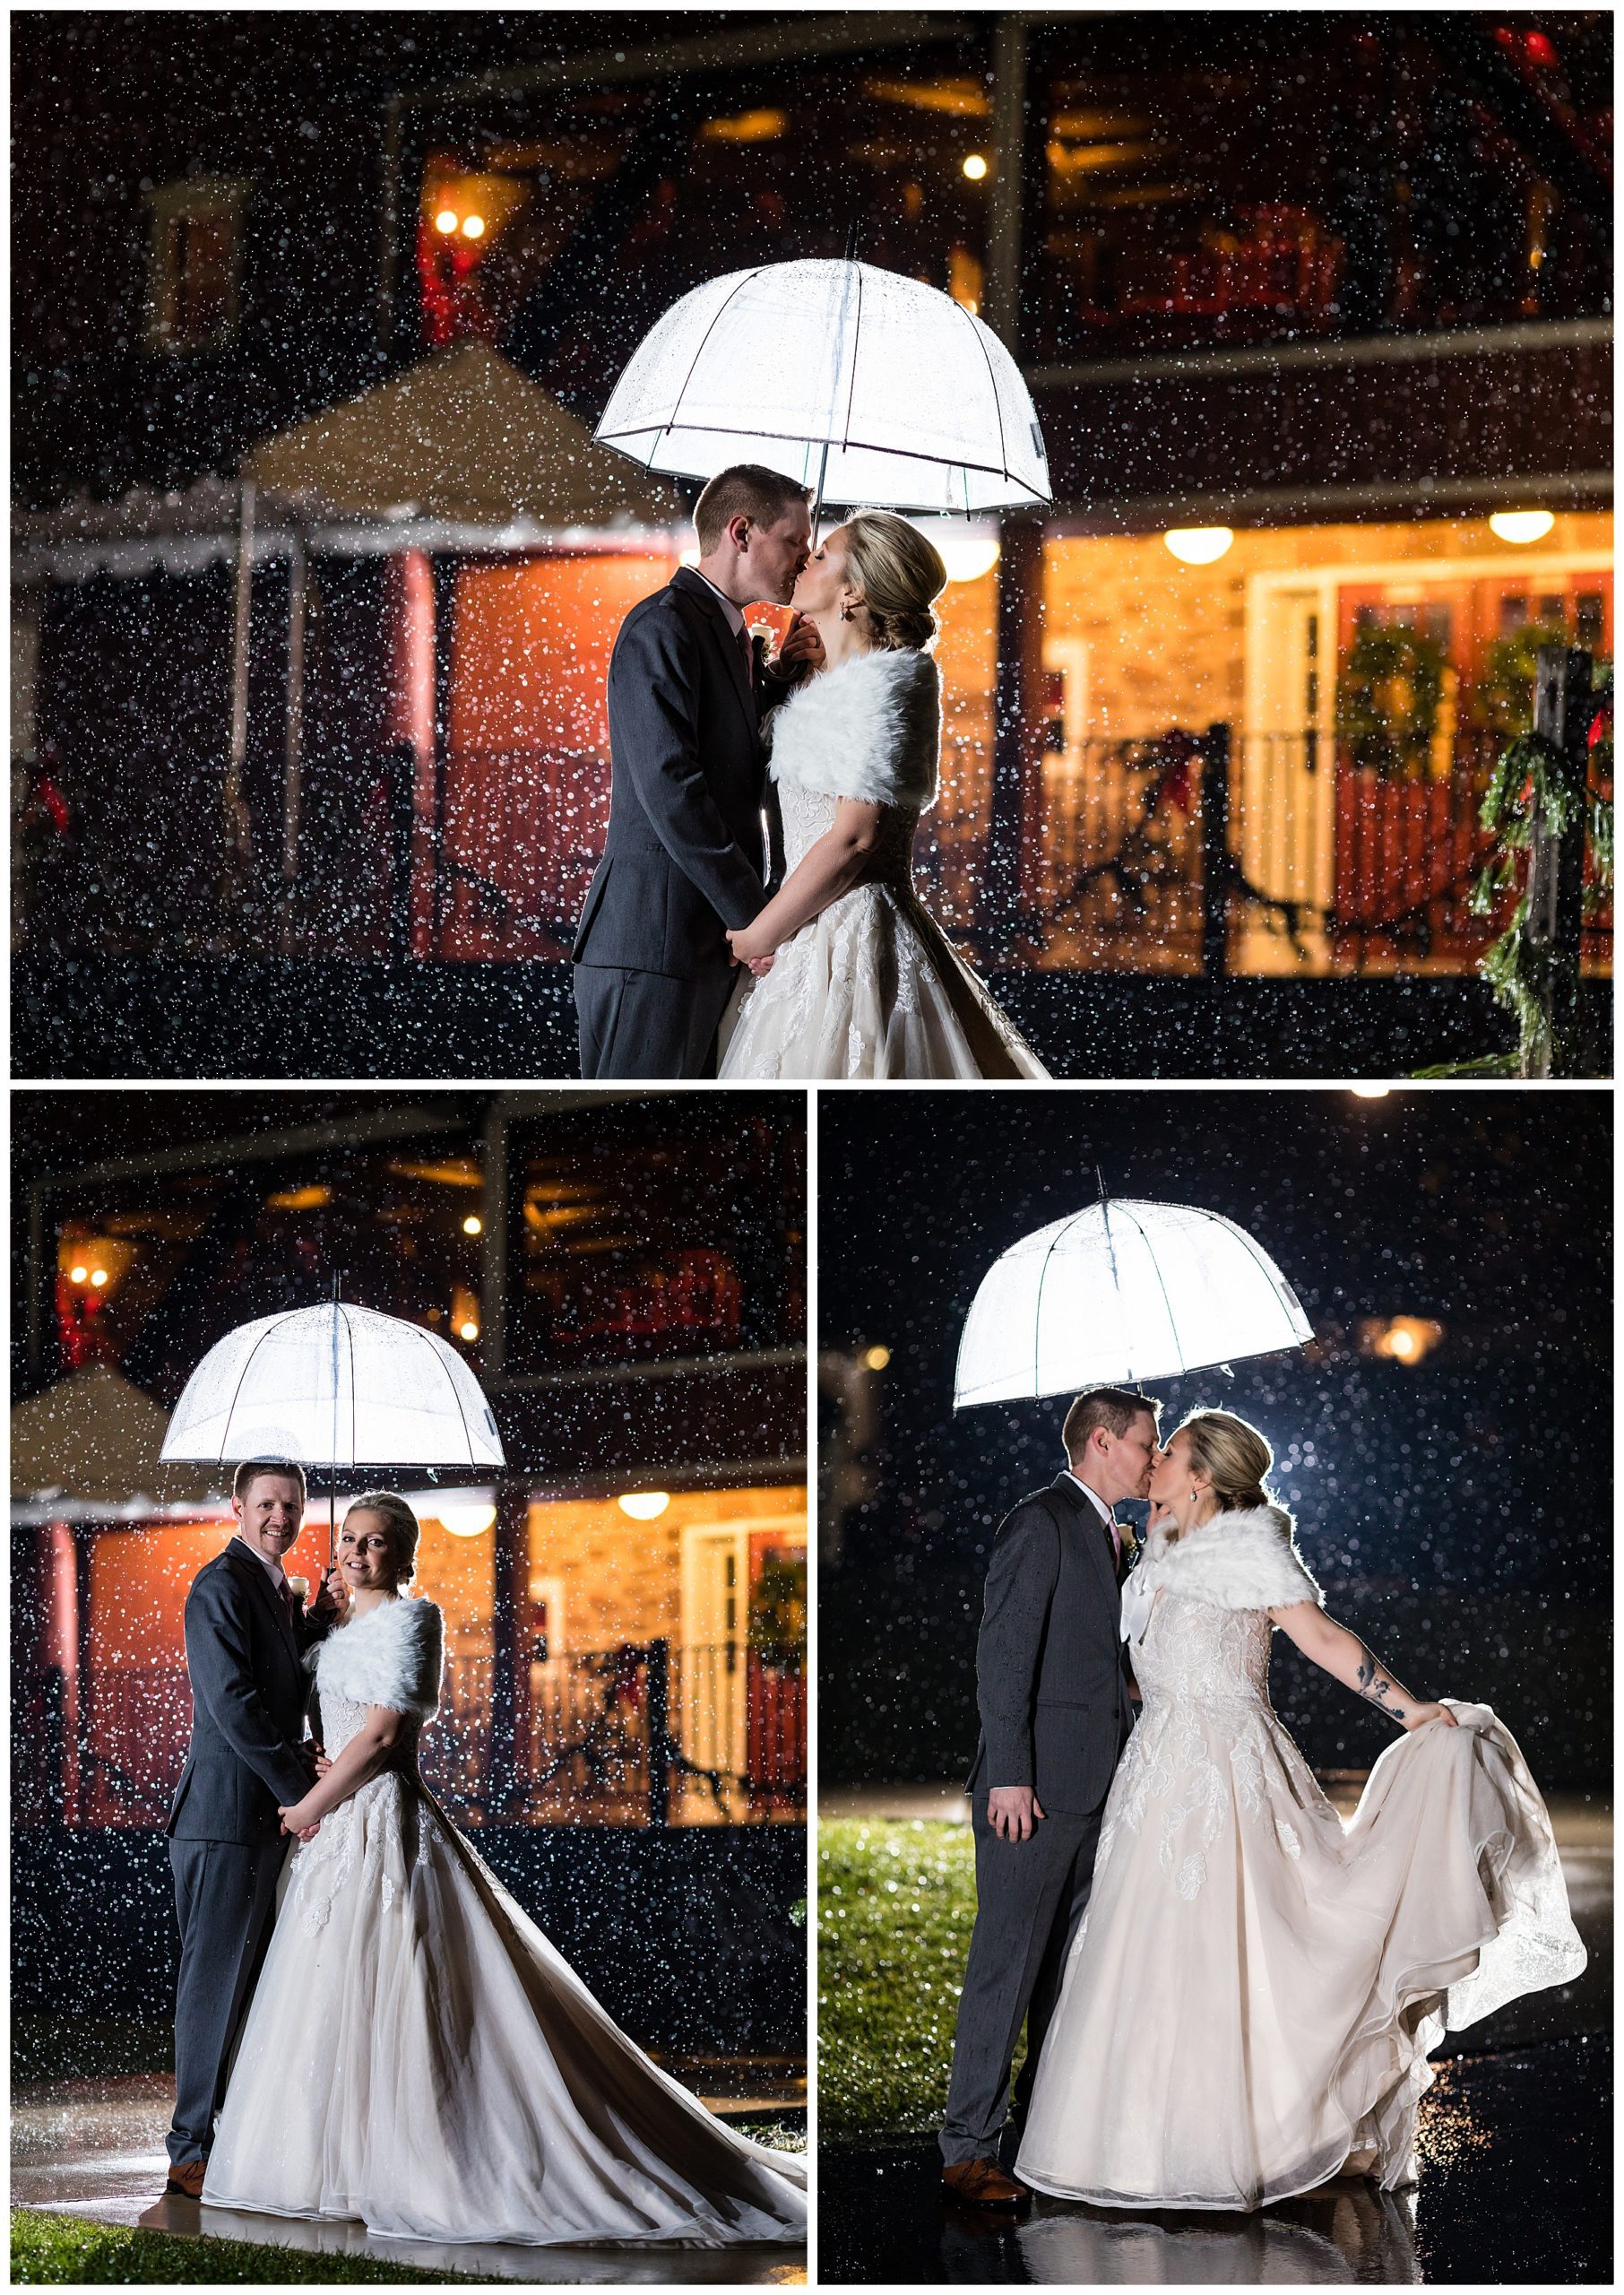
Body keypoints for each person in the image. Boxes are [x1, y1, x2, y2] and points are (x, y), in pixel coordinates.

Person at [1014, 1408, 1586, 2212]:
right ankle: (1141, 2145)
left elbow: (1320, 1637)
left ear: (1203, 1474)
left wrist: (1410, 1709)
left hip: (1227, 1769)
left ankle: (1248, 2139)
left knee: (1237, 1948)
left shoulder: (1250, 1553)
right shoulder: (1154, 1553)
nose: (1155, 1465)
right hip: (1156, 1773)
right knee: (1146, 1953)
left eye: (1167, 1454)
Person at [203, 1494, 808, 2247]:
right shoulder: (335, 1621)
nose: (359, 1552)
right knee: (327, 1986)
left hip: (379, 1819)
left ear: (405, 1555)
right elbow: (311, 1707)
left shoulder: (412, 1621)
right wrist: (317, 1648)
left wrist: (305, 1803)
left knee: (403, 1983)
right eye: (350, 1539)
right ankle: (331, 2162)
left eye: (377, 1543)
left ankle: (432, 2158)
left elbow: (383, 1736)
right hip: (333, 1832)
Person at [716, 509, 1048, 1079]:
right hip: (806, 917)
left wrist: (758, 936)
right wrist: (787, 677)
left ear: (852, 592)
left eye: (820, 556)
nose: (803, 559)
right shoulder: (827, 680)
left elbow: (854, 837)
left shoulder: (885, 685)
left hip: (848, 925)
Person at [937, 1389, 1159, 2206]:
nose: (1154, 1455)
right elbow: (1004, 1659)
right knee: (1006, 1968)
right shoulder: (1039, 1523)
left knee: (1067, 1977)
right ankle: (968, 2149)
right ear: (1103, 1442)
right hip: (1033, 1791)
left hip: (1105, 1785)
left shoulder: (1112, 1536)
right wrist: (1010, 1774)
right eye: (1146, 1441)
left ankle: (1039, 2138)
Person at [571, 463, 821, 1080]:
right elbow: (672, 788)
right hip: (652, 943)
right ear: (742, 532)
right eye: (794, 541)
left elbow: (727, 749)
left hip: (699, 941)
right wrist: (752, 916)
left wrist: (780, 681)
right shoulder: (661, 626)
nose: (806, 558)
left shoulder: (728, 632)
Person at [163, 1459, 341, 2199]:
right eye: (268, 1503)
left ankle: (229, 2136)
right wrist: (308, 1791)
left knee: (253, 1985)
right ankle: (190, 2149)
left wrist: (320, 1621)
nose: (281, 1517)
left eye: (292, 1505)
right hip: (223, 1821)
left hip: (262, 1818)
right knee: (214, 1986)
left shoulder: (275, 1592)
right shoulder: (218, 1587)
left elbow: (282, 1693)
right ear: (237, 1505)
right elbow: (235, 1706)